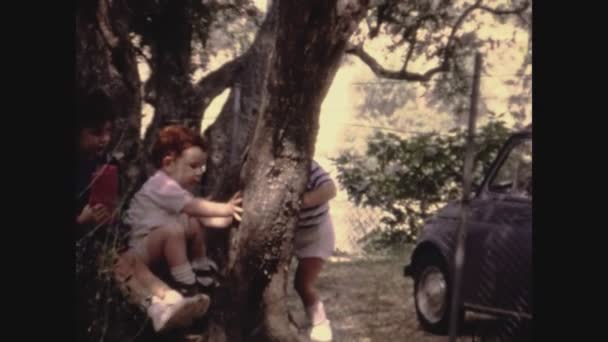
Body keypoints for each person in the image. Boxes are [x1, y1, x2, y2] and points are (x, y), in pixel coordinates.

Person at [124, 124, 242, 299]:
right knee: (174, 231)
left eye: (202, 166)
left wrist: (227, 219)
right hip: (142, 248)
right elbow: (194, 206)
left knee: (191, 220)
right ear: (168, 163)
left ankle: (200, 265)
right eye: (193, 166)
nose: (200, 172)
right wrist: (226, 208)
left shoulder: (176, 190)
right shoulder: (161, 186)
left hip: (158, 243)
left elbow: (202, 216)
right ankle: (185, 283)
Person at [293, 160, 337, 342]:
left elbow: (330, 189)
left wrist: (302, 201)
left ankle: (320, 323)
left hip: (315, 232)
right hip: (288, 233)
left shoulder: (306, 165)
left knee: (303, 283)